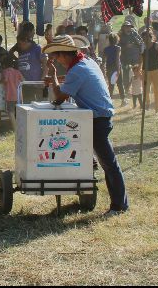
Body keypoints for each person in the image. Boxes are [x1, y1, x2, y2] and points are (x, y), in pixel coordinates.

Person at [44, 35, 129, 216]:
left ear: (64, 55)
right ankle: (115, 201)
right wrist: (55, 79)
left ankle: (119, 206)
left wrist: (53, 77)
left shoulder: (77, 70)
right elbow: (73, 79)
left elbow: (59, 97)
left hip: (97, 119)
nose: (57, 61)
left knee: (109, 163)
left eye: (57, 56)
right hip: (102, 116)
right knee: (106, 161)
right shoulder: (87, 62)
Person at [0, 56, 23, 131]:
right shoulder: (17, 71)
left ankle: (15, 128)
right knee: (19, 111)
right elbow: (23, 80)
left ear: (4, 65)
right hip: (19, 95)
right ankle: (21, 126)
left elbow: (5, 80)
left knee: (10, 112)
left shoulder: (5, 71)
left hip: (10, 95)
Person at [140, 30, 158, 115]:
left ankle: (157, 108)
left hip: (156, 70)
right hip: (145, 71)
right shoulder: (142, 46)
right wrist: (139, 69)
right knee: (145, 89)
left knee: (156, 90)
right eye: (143, 38)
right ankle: (147, 104)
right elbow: (140, 59)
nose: (145, 40)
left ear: (150, 37)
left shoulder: (157, 45)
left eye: (146, 37)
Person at [118, 22, 143, 100]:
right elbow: (117, 47)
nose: (128, 28)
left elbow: (141, 42)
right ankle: (126, 89)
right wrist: (125, 46)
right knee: (126, 73)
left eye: (129, 27)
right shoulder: (120, 36)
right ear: (123, 28)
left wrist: (140, 52)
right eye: (126, 27)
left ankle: (138, 89)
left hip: (135, 57)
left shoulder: (134, 34)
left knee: (137, 73)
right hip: (125, 58)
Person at [102, 33, 126, 106]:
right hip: (116, 67)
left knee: (111, 84)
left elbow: (103, 61)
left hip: (109, 67)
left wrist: (104, 69)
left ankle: (109, 101)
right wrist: (118, 69)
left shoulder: (105, 49)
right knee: (120, 84)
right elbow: (117, 59)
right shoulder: (118, 48)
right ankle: (123, 100)